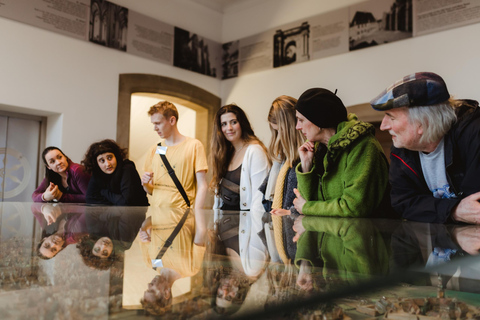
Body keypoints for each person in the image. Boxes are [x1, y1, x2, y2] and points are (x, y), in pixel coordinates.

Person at [370, 72, 480, 224]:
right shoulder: (402, 148)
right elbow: (402, 203)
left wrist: (440, 210)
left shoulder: (474, 135)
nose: (383, 126)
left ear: (422, 123)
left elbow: (475, 208)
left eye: (391, 117)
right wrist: (454, 210)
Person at [293, 88, 389, 217]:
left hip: (365, 234)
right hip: (333, 233)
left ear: (318, 119)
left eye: (301, 120)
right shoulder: (317, 149)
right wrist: (306, 165)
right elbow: (303, 203)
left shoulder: (362, 145)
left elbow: (354, 207)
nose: (297, 127)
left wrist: (307, 207)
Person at [259, 95, 305, 264]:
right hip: (284, 237)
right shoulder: (281, 159)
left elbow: (311, 198)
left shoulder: (306, 155)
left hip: (298, 241)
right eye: (274, 131)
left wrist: (291, 212)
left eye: (279, 130)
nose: (277, 136)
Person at [141, 101, 208, 209]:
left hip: (183, 216)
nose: (155, 128)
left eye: (158, 123)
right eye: (153, 124)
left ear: (172, 120)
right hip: (158, 217)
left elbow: (202, 185)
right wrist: (145, 184)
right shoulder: (154, 150)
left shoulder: (194, 146)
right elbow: (152, 191)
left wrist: (197, 213)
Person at [210, 104, 270, 212]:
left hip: (245, 226)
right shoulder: (225, 153)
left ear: (241, 123)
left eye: (233, 122)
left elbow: (259, 200)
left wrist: (255, 228)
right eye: (224, 124)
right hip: (223, 224)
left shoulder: (255, 151)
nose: (229, 128)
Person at [82, 139, 149, 206]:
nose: (108, 164)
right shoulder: (98, 174)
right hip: (112, 214)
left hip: (137, 214)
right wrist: (115, 200)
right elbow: (90, 200)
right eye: (102, 160)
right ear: (97, 163)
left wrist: (104, 192)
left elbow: (126, 203)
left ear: (116, 157)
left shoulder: (127, 169)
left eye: (110, 158)